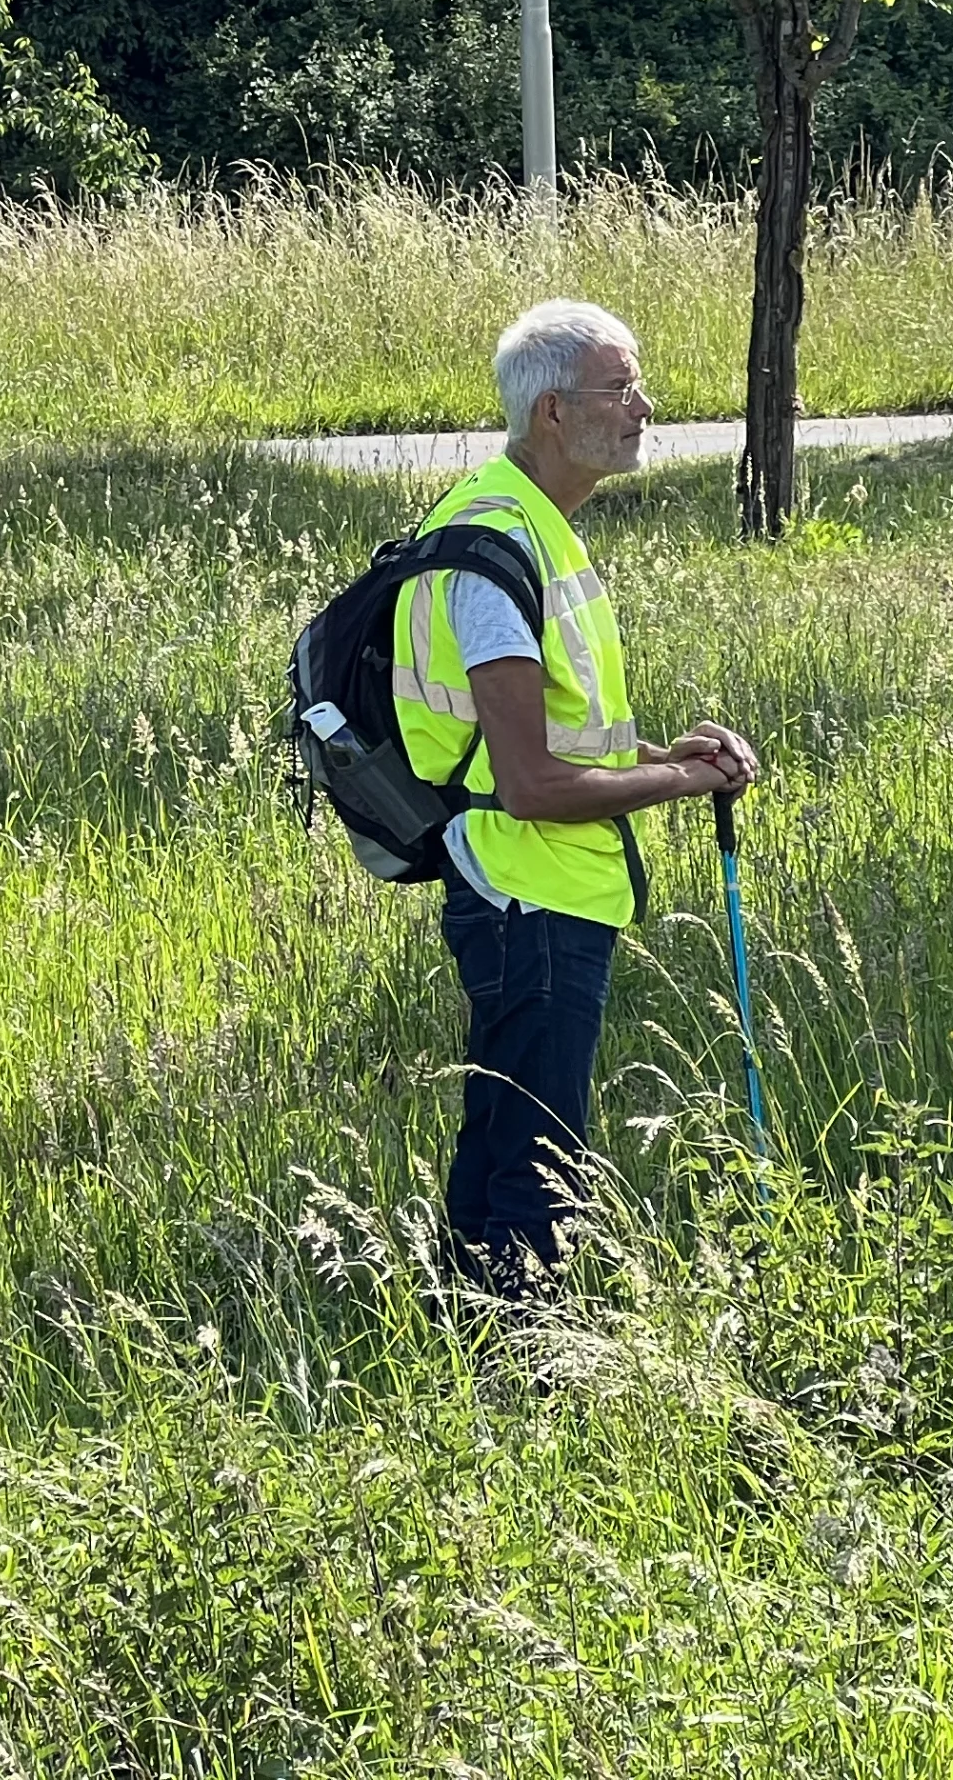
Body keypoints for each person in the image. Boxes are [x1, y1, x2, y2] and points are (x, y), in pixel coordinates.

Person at [391, 300, 761, 1293]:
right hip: (528, 892)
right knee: (539, 1160)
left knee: (504, 1135)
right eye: (620, 388)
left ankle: (469, 1331)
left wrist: (660, 750)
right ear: (553, 410)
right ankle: (529, 1357)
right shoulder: (496, 549)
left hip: (536, 887)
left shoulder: (528, 524)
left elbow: (543, 730)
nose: (644, 407)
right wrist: (687, 779)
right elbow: (532, 784)